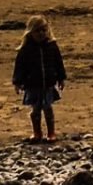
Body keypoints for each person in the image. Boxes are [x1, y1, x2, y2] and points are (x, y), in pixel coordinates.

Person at [13, 14, 67, 144]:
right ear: (30, 32)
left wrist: (61, 78)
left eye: (44, 30)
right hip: (33, 85)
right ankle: (37, 132)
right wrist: (17, 82)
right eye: (37, 31)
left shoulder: (52, 46)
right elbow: (19, 66)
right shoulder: (26, 49)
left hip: (48, 84)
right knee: (35, 110)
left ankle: (51, 132)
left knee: (48, 108)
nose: (41, 33)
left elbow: (58, 63)